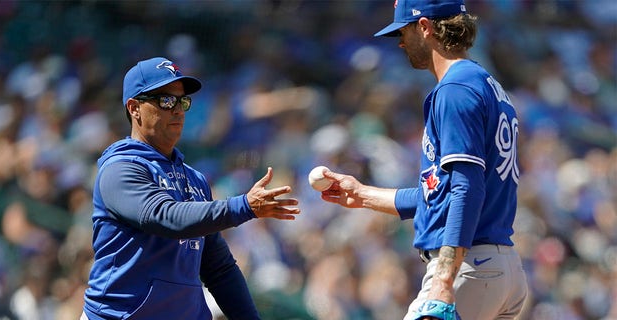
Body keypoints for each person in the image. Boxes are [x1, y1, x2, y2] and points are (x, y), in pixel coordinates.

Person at [319, 1, 528, 319]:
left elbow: (466, 188)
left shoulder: (456, 89)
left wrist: (445, 277)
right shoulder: (485, 84)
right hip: (497, 268)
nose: (400, 42)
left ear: (425, 27)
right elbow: (444, 196)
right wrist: (362, 195)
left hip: (468, 268)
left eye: (403, 31)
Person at [82, 57, 300, 320]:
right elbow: (165, 217)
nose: (177, 109)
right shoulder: (120, 169)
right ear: (134, 107)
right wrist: (243, 206)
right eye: (165, 100)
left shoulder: (194, 179)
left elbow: (218, 269)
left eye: (182, 101)